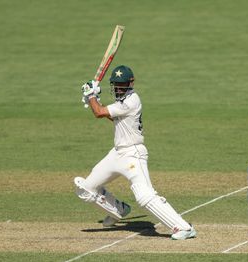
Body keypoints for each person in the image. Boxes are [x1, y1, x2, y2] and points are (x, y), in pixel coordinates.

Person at [75, 65, 196, 240]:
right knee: (85, 188)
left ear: (131, 83)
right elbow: (110, 115)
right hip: (116, 154)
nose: (118, 88)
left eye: (122, 85)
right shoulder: (121, 103)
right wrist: (93, 101)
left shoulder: (132, 100)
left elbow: (99, 113)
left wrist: (92, 96)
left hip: (133, 154)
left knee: (144, 195)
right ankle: (119, 210)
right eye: (116, 85)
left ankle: (184, 228)